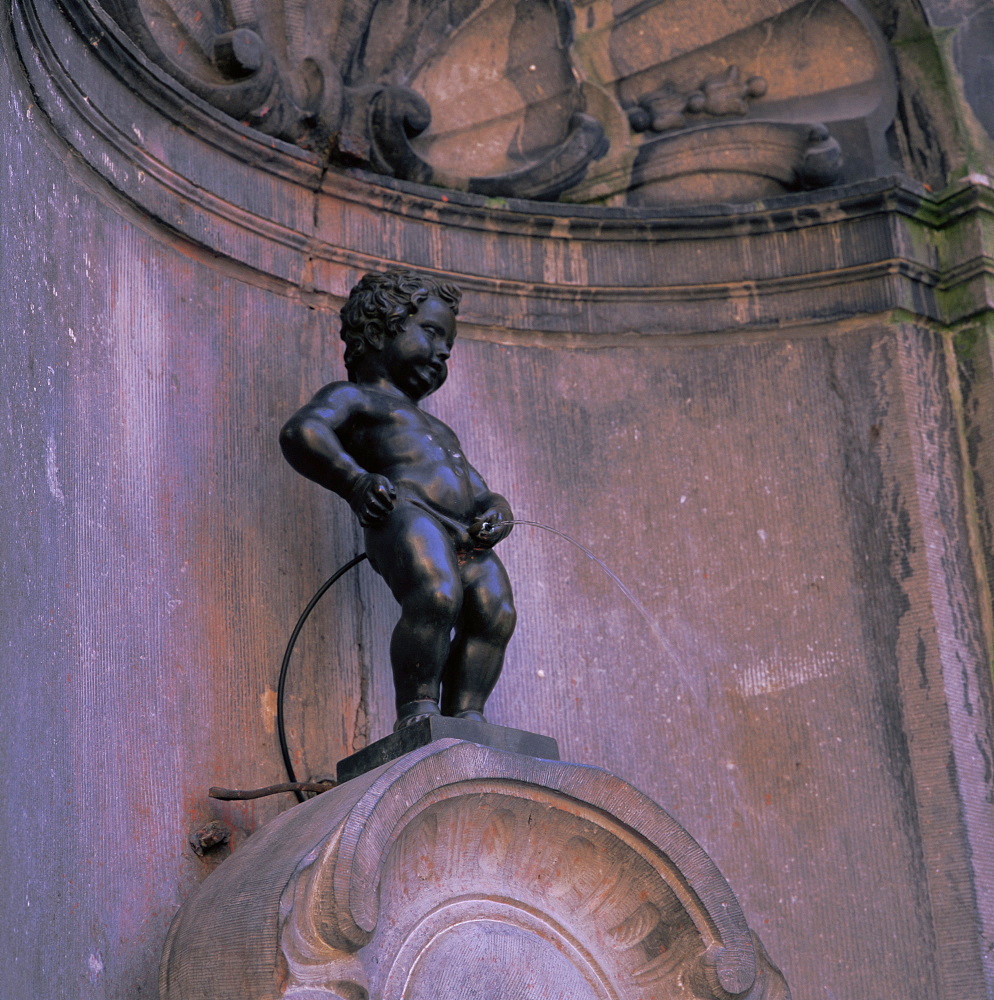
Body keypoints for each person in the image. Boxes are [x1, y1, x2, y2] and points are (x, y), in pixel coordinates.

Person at [280, 269, 516, 731]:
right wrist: (355, 482)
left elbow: (475, 482)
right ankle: (418, 710)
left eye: (448, 342)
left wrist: (497, 509)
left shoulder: (440, 429)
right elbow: (303, 431)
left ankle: (469, 716)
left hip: (464, 530)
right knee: (437, 594)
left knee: (495, 611)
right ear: (379, 329)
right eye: (431, 332)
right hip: (405, 510)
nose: (444, 350)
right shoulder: (355, 398)